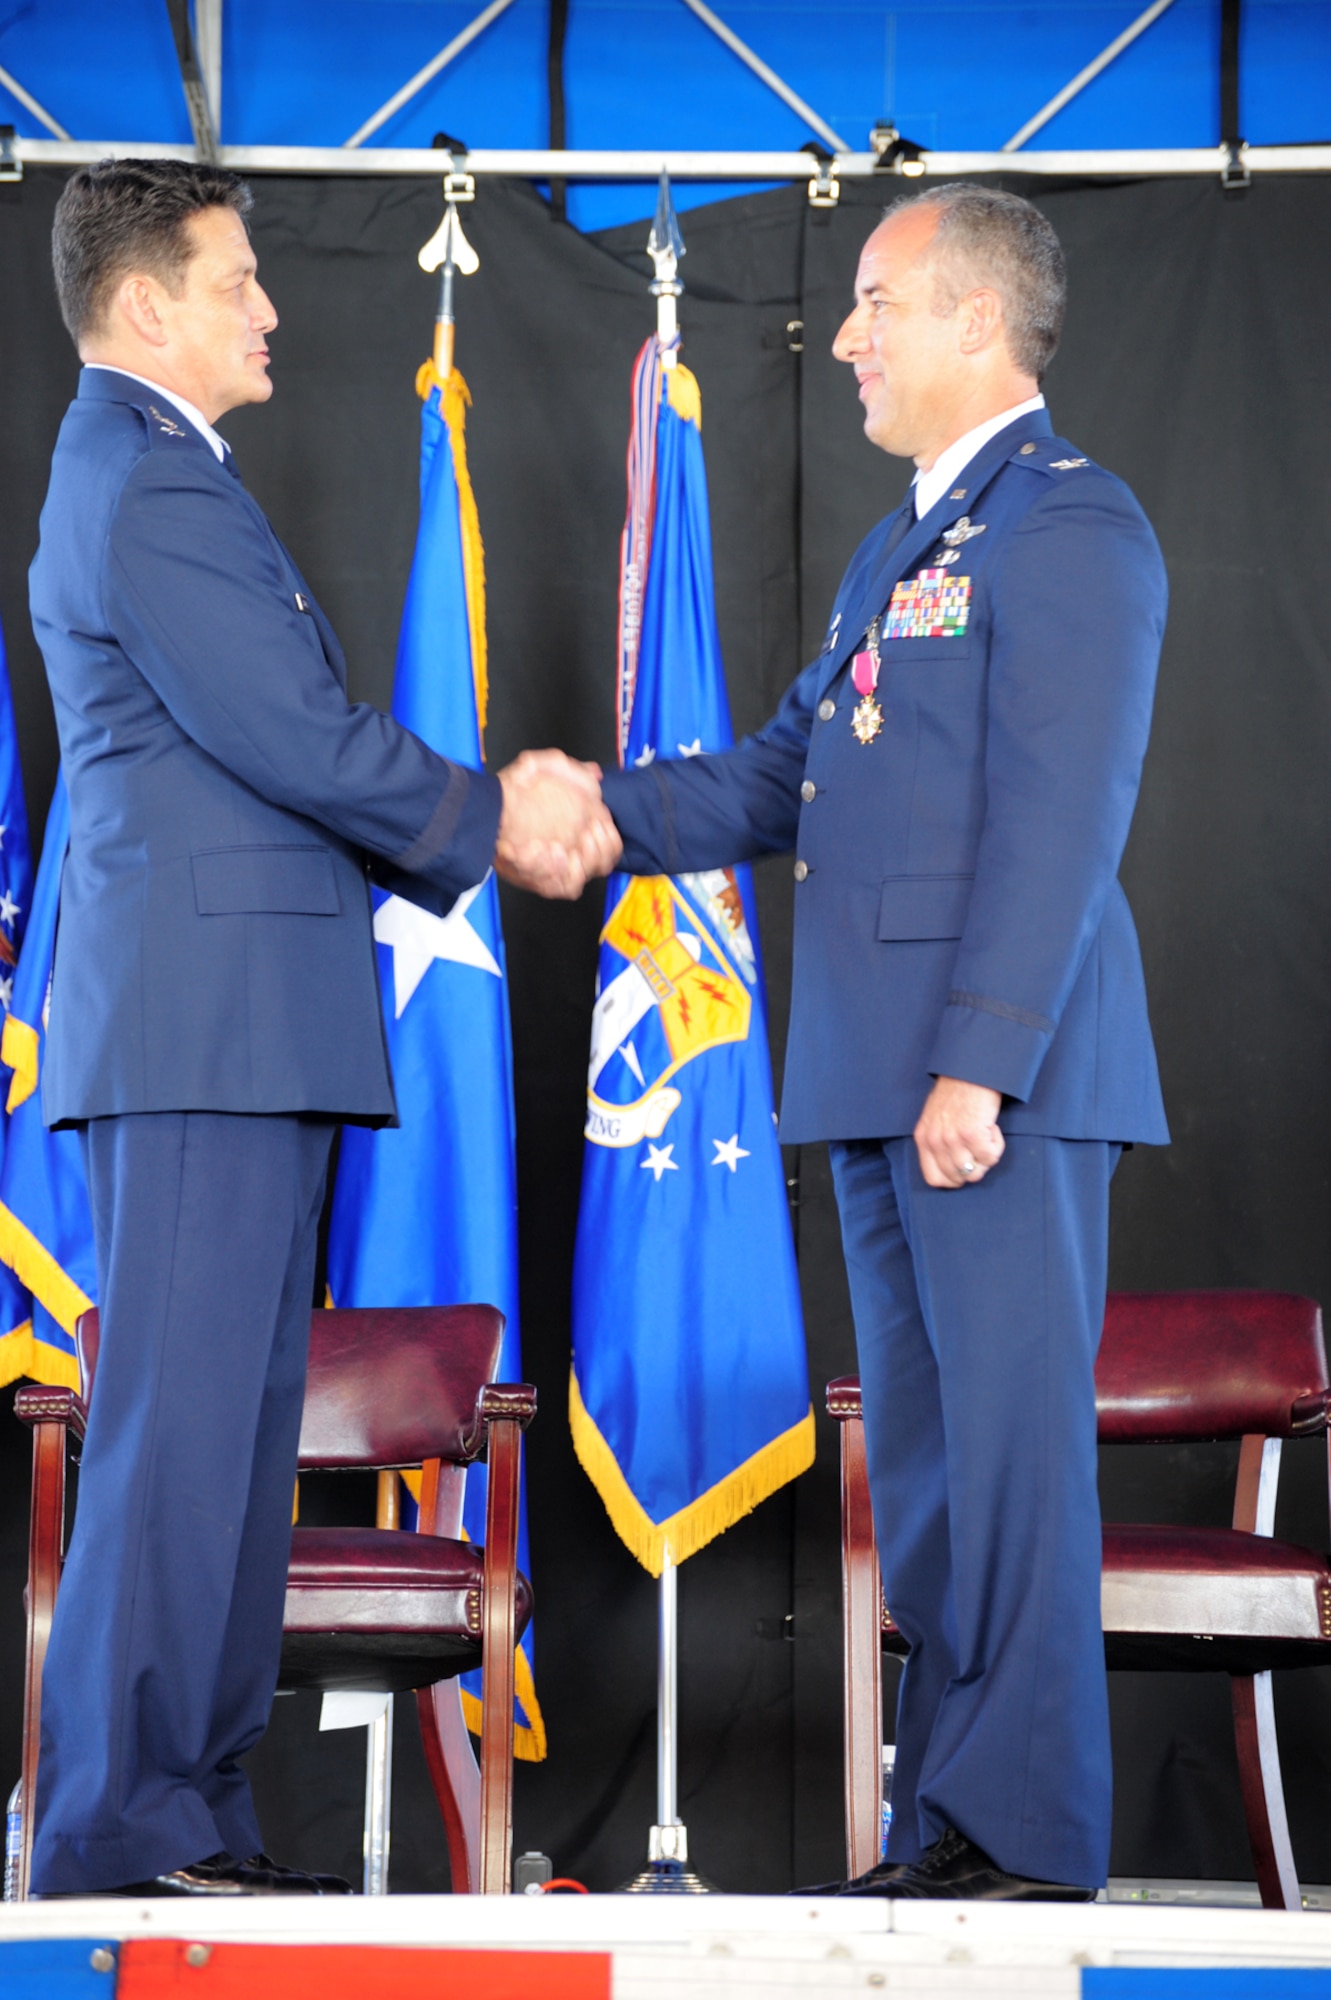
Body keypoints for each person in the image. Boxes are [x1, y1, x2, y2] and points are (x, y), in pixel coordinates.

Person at [26, 157, 620, 1899]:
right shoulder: (147, 484)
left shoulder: (151, 473)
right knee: (177, 1446)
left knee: (221, 1449)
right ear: (148, 305)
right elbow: (295, 731)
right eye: (235, 281)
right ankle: (120, 1830)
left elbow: (274, 738)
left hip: (234, 1032)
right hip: (206, 1038)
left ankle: (184, 1818)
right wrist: (493, 817)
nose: (269, 309)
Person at [600, 183, 1168, 1900]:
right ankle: (954, 1823)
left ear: (977, 322)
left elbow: (1065, 817)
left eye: (874, 303)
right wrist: (560, 816)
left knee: (1007, 1462)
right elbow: (783, 771)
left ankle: (1030, 1832)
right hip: (874, 1073)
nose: (842, 335)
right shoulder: (899, 544)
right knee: (927, 1475)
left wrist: (981, 1064)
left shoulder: (1072, 525)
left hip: (987, 1082)